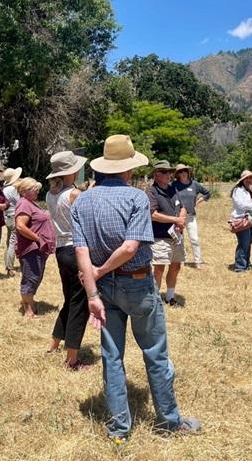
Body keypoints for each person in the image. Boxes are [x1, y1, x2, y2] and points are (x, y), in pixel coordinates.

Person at [71, 134, 201, 442]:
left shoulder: (82, 200)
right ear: (128, 169)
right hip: (138, 284)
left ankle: (119, 428)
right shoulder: (136, 198)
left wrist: (92, 292)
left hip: (103, 289)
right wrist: (102, 271)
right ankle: (169, 423)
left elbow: (81, 253)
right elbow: (130, 247)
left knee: (111, 356)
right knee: (155, 352)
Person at [45, 151, 90, 369]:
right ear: (71, 171)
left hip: (61, 249)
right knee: (80, 302)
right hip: (75, 248)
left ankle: (54, 342)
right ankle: (72, 358)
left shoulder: (50, 194)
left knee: (69, 298)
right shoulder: (74, 194)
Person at [146, 161, 187, 306]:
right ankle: (156, 298)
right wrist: (176, 219)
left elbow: (183, 207)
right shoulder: (151, 192)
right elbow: (153, 214)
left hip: (176, 237)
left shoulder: (173, 190)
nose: (168, 175)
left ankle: (170, 297)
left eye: (169, 172)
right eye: (164, 172)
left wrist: (180, 220)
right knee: (159, 268)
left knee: (176, 266)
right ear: (156, 174)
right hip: (160, 237)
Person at [15, 177, 56, 318]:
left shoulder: (30, 203)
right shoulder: (24, 204)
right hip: (30, 248)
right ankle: (28, 308)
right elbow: (20, 225)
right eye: (35, 190)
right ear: (25, 191)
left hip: (37, 248)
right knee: (31, 277)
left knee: (35, 276)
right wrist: (37, 238)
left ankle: (30, 302)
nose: (37, 192)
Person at [171, 164, 210, 268]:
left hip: (190, 216)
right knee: (179, 239)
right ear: (177, 174)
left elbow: (207, 193)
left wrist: (198, 201)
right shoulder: (174, 185)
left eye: (184, 171)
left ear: (188, 172)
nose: (183, 173)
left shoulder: (195, 184)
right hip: (178, 216)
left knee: (194, 239)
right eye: (180, 172)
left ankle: (198, 261)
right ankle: (181, 260)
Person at [2, 167, 23, 277]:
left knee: (9, 241)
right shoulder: (12, 189)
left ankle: (8, 264)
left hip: (8, 217)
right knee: (13, 242)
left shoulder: (5, 189)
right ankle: (10, 267)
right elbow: (20, 202)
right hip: (14, 216)